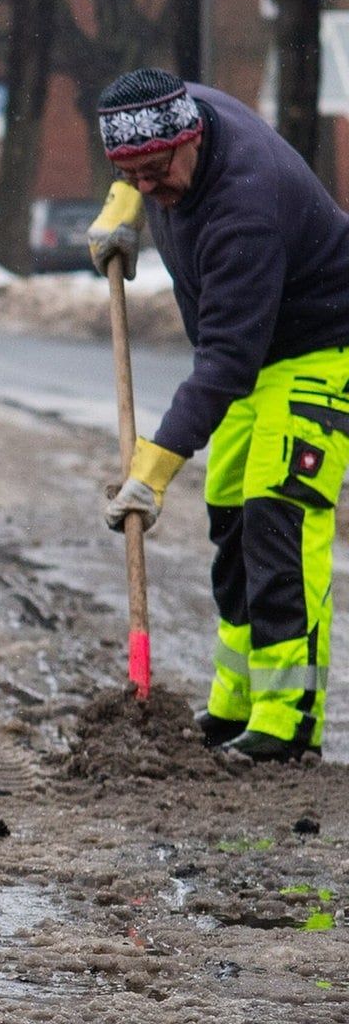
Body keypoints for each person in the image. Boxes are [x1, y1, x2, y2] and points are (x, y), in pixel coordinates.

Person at [89, 68, 349, 762]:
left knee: (278, 522)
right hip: (248, 360)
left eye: (157, 172)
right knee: (232, 523)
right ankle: (236, 701)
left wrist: (153, 468)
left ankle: (289, 720)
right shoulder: (176, 117)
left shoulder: (244, 209)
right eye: (129, 174)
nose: (151, 187)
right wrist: (122, 210)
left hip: (318, 348)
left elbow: (227, 362)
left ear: (192, 139)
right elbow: (231, 362)